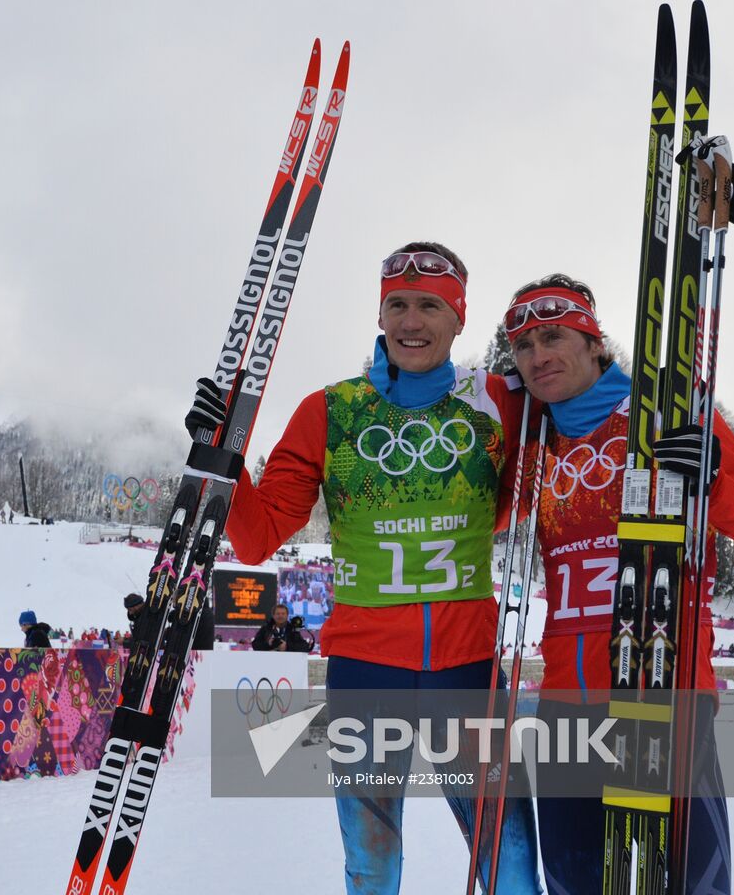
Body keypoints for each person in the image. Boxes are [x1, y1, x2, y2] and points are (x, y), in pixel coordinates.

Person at [187, 243, 539, 894]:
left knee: (511, 864)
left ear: (459, 319)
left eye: (430, 305)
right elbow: (261, 536)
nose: (412, 320)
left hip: (467, 671)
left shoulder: (498, 402)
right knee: (372, 866)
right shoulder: (331, 412)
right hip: (366, 672)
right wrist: (221, 458)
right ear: (380, 315)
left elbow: (527, 482)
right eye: (397, 305)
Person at [502, 273, 734, 894]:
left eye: (554, 337)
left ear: (596, 344)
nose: (537, 357)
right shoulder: (535, 444)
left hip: (663, 693)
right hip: (567, 709)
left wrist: (713, 481)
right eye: (523, 346)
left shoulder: (668, 417)